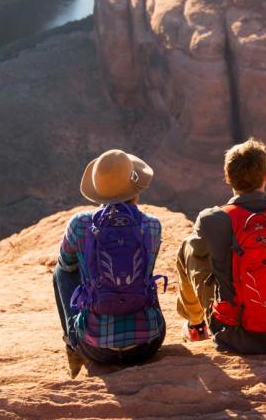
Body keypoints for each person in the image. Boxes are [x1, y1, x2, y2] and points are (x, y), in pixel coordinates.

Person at [175, 138, 266, 354]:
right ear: (265, 177)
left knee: (189, 247)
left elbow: (198, 252)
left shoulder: (211, 219)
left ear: (228, 178)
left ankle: (196, 325)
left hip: (233, 336)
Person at [52, 149, 166, 377]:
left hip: (95, 348)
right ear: (136, 188)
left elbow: (66, 266)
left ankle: (73, 346)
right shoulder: (152, 226)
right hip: (148, 344)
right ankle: (138, 325)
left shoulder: (80, 224)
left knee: (61, 271)